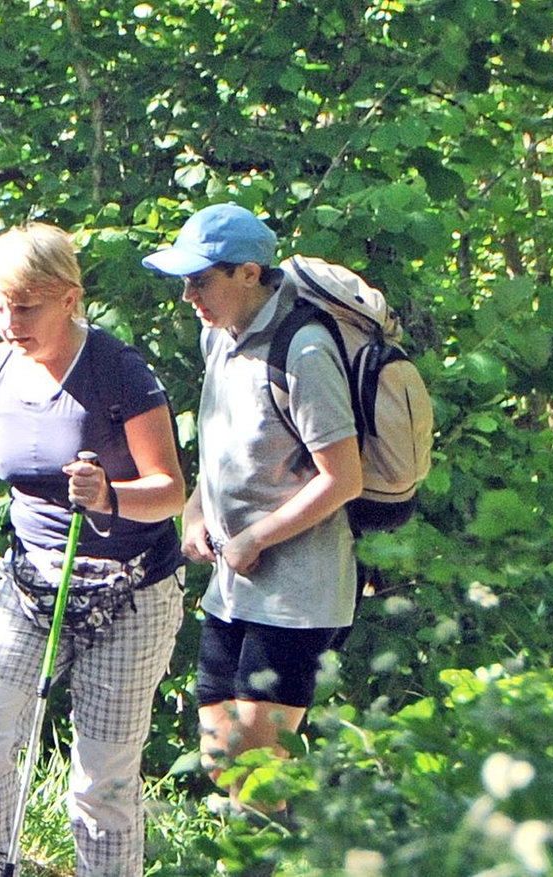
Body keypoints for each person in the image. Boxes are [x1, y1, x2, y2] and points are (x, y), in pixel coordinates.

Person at [0, 222, 187, 877]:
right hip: (30, 584)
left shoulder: (119, 372)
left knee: (100, 773)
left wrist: (108, 494)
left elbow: (168, 492)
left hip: (131, 590)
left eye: (26, 306)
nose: (9, 321)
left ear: (69, 299)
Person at [141, 203, 362, 821]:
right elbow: (220, 454)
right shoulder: (220, 337)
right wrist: (193, 514)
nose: (188, 296)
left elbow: (343, 478)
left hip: (300, 594)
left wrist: (255, 538)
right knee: (222, 756)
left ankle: (262, 857)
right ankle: (287, 843)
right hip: (232, 587)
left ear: (248, 273)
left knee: (258, 768)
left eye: (200, 279)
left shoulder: (305, 349)